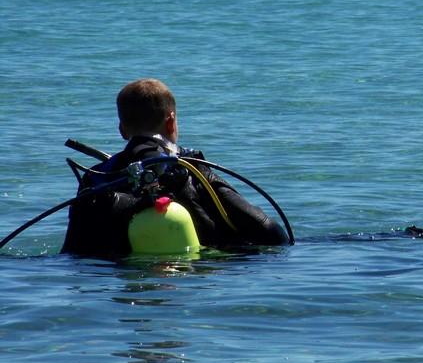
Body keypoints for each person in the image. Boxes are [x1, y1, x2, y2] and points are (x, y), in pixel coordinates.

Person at [61, 78, 289, 257]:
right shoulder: (192, 170)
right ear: (171, 121)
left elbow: (72, 253)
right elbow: (273, 235)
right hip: (190, 273)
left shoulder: (97, 177)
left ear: (122, 129)